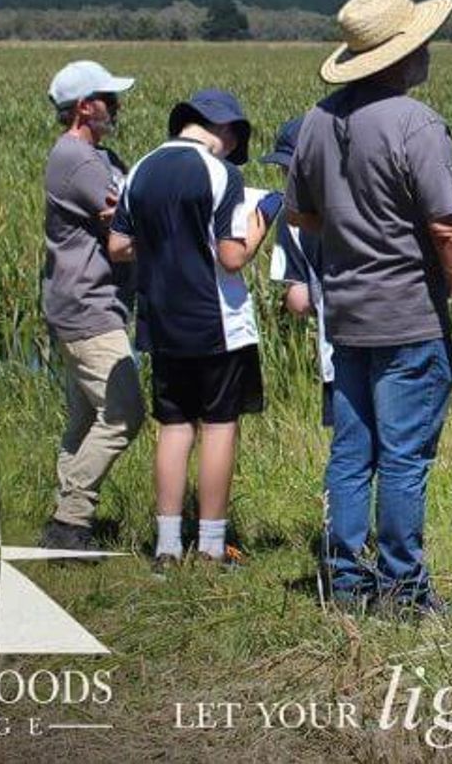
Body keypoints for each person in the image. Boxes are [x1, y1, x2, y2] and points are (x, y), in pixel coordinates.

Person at [284, 0, 452, 616]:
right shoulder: (416, 123)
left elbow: (299, 214)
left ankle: (346, 583)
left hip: (346, 315)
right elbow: (447, 230)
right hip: (408, 315)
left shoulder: (319, 120)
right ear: (404, 53)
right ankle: (404, 591)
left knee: (352, 453)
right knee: (404, 459)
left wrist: (354, 231)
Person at [108, 89, 275, 570]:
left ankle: (165, 547)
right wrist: (260, 226)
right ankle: (211, 544)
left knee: (174, 427)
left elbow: (118, 245)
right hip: (216, 322)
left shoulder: (140, 169)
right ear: (223, 130)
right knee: (220, 425)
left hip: (160, 320)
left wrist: (164, 245)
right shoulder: (222, 173)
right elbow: (231, 256)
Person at [39, 59, 144, 555]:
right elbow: (125, 221)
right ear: (84, 107)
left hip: (88, 302)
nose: (117, 106)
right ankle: (70, 518)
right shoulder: (77, 161)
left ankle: (66, 523)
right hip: (88, 307)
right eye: (109, 99)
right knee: (124, 413)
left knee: (84, 419)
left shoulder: (100, 156)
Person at [259, 117, 334, 424]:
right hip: (397, 336)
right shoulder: (370, 197)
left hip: (338, 351)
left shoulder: (290, 220)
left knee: (351, 453)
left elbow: (299, 301)